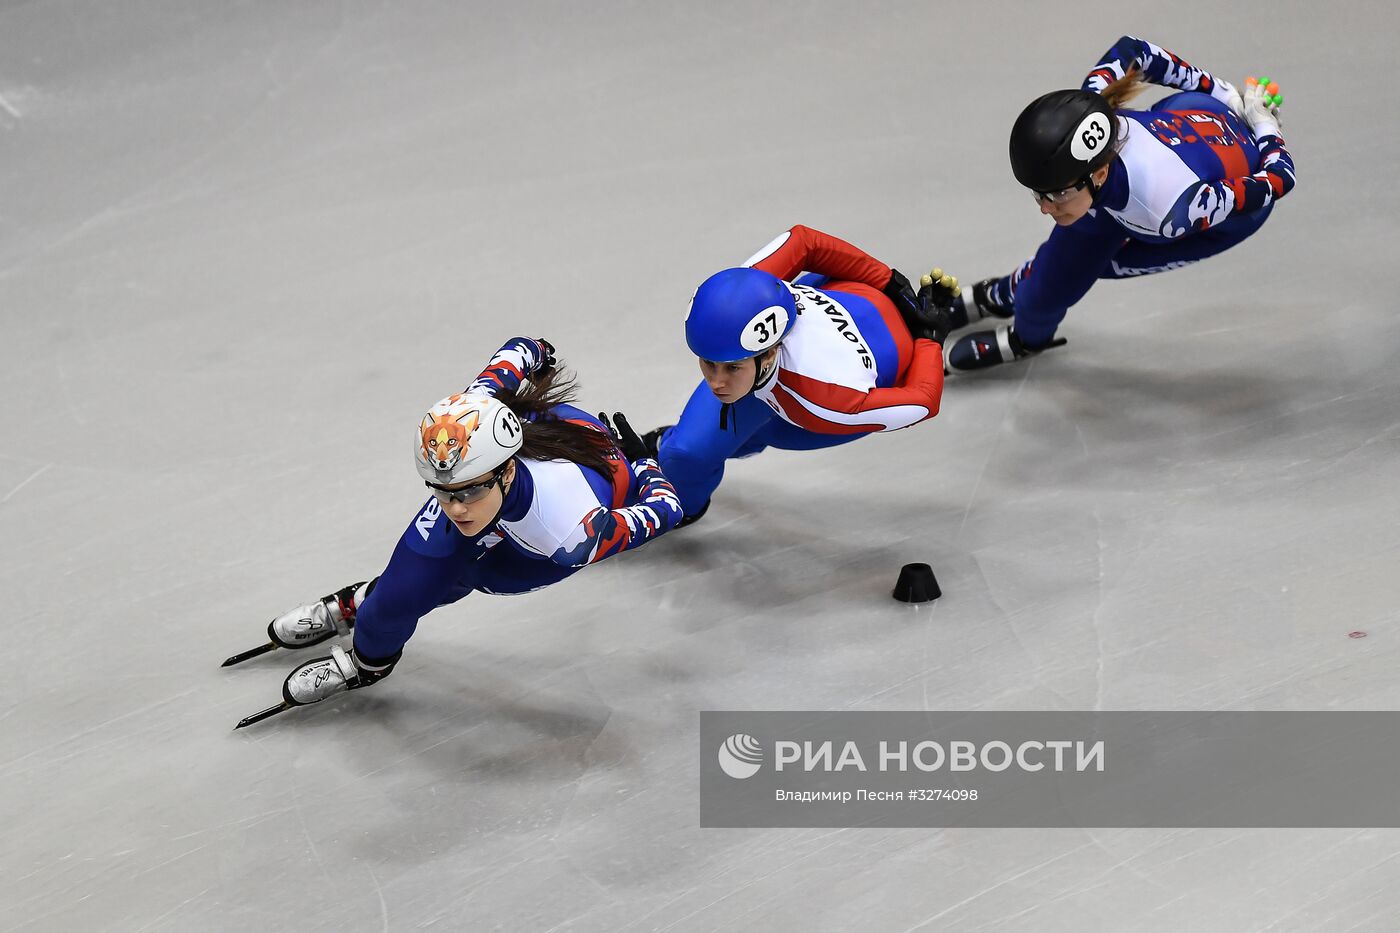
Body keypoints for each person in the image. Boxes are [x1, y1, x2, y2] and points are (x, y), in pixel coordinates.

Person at [233, 337, 684, 713]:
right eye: (440, 490)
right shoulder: (472, 413)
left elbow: (667, 509)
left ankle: (372, 644)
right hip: (527, 472)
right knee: (396, 597)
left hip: (559, 520)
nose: (455, 507)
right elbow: (519, 349)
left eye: (467, 492)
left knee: (471, 572)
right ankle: (368, 638)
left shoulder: (571, 533)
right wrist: (538, 351)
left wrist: (644, 465)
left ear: (505, 471)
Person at [944, 35, 1297, 371]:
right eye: (1039, 193)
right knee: (1053, 277)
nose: (1044, 208)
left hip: (1214, 204)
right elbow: (1135, 49)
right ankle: (1008, 295)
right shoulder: (1088, 110)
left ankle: (1022, 332)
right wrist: (1224, 93)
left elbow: (1280, 179)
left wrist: (1266, 129)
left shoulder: (1171, 211)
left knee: (1091, 266)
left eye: (1056, 194)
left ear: (1097, 173)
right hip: (1177, 138)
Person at [647, 224, 959, 521]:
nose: (716, 381)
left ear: (769, 350)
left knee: (721, 442)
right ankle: (689, 453)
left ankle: (683, 501)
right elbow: (804, 241)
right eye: (707, 362)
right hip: (855, 295)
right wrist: (889, 280)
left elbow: (922, 402)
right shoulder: (751, 287)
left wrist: (928, 341)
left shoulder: (820, 400)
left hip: (867, 371)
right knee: (691, 450)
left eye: (731, 367)